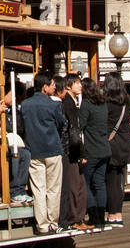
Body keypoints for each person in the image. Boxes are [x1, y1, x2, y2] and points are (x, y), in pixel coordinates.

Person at [20, 70, 66, 234]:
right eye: (52, 85)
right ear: (44, 87)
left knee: (38, 189)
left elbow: (22, 127)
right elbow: (62, 123)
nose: (54, 87)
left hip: (34, 151)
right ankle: (53, 223)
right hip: (53, 149)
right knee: (53, 189)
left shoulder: (25, 105)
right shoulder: (53, 105)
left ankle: (42, 225)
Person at [76, 78, 110, 229]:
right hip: (104, 149)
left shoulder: (86, 104)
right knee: (100, 183)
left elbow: (80, 125)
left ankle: (94, 216)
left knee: (86, 183)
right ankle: (101, 217)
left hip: (91, 150)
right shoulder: (103, 104)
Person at [104, 73, 130, 225]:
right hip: (124, 145)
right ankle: (119, 214)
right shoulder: (126, 102)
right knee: (120, 182)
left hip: (111, 145)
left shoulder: (106, 103)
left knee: (111, 181)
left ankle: (112, 214)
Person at [58, 75, 86, 229]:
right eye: (77, 83)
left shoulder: (71, 102)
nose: (80, 86)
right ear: (68, 86)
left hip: (72, 149)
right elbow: (73, 131)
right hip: (71, 150)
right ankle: (74, 219)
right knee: (75, 185)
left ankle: (78, 218)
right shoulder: (68, 104)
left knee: (78, 185)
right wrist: (80, 152)